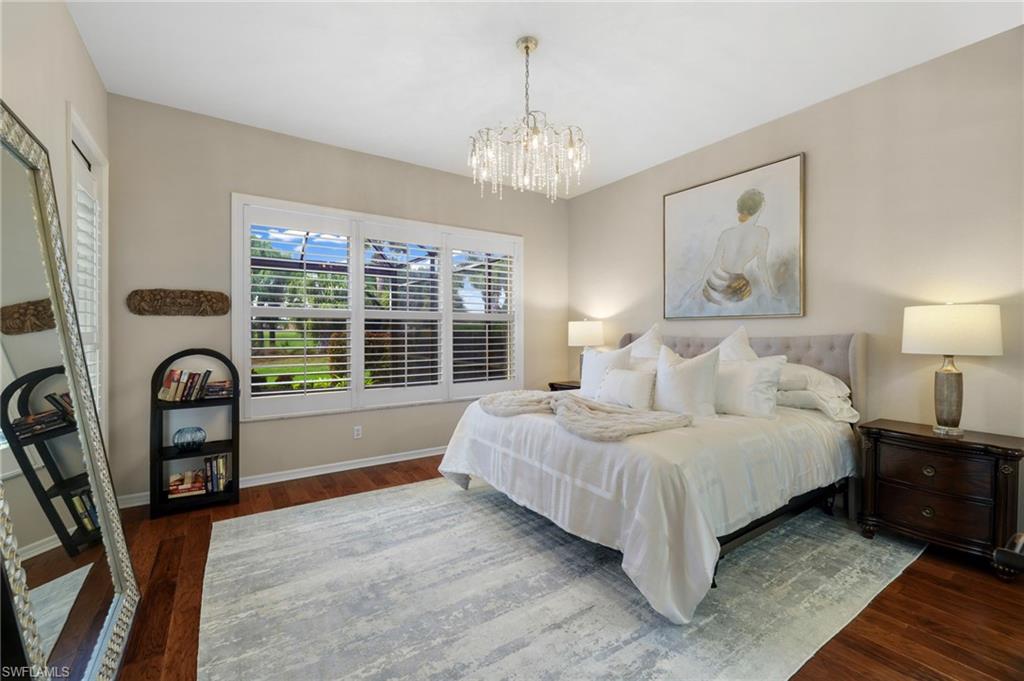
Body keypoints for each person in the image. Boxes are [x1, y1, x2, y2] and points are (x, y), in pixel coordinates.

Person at [681, 188, 777, 307]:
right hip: (736, 287)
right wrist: (771, 292)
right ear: (761, 208)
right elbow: (761, 266)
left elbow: (714, 263)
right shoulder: (762, 233)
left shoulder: (727, 233)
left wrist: (700, 287)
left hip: (715, 282)